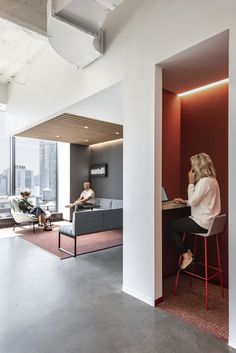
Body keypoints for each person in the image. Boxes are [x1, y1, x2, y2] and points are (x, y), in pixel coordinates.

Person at [166, 153, 221, 270]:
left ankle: (187, 256)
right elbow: (198, 201)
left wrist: (191, 182)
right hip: (210, 222)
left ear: (198, 167)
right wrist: (184, 202)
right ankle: (189, 255)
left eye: (192, 166)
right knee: (175, 226)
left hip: (202, 222)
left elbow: (193, 202)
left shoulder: (204, 181)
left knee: (169, 227)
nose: (191, 170)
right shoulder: (212, 180)